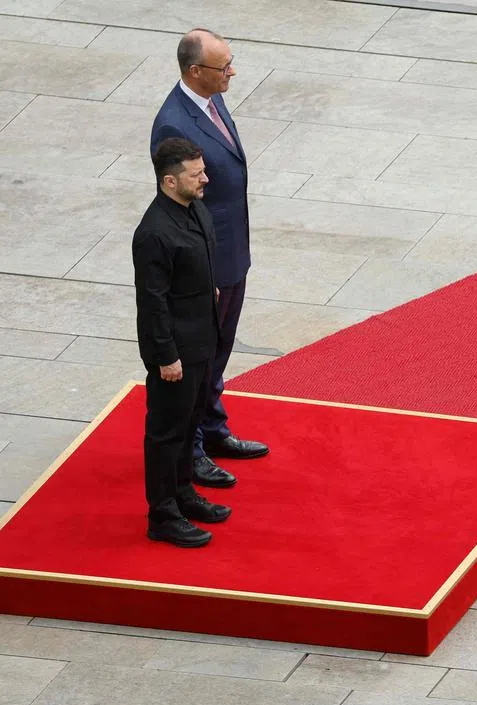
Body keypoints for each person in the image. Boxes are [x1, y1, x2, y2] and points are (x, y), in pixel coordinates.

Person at [151, 27, 268, 490]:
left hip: (230, 249)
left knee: (218, 352)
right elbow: (182, 206)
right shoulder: (174, 124)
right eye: (224, 67)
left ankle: (213, 429)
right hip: (207, 263)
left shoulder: (210, 98)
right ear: (196, 71)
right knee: (199, 359)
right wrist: (203, 272)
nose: (232, 72)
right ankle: (193, 449)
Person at [134, 138, 234, 548]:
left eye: (203, 170)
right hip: (175, 353)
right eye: (196, 174)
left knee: (189, 424)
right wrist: (166, 356)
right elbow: (152, 302)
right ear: (170, 181)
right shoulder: (154, 233)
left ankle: (183, 493)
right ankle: (162, 515)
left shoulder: (195, 209)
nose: (205, 178)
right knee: (167, 433)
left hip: (201, 341)